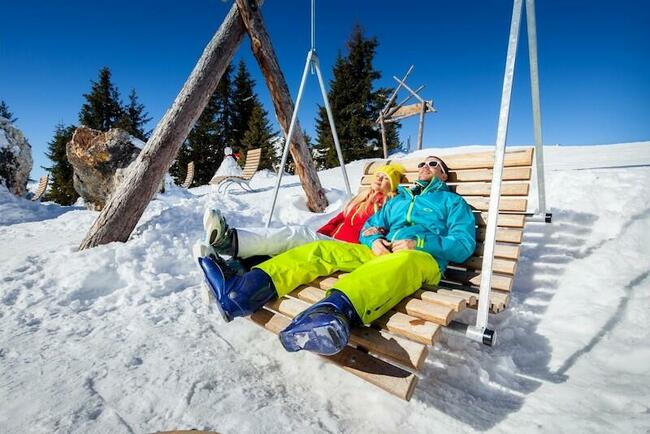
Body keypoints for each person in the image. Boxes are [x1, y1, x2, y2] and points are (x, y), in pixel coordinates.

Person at [197, 155, 476, 356]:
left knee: (402, 261)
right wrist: (375, 238)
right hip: (380, 252)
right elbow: (370, 226)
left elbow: (464, 245)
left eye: (434, 164)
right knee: (322, 248)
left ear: (443, 175)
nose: (426, 167)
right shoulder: (400, 200)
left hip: (421, 260)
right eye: (423, 163)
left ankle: (330, 314)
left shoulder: (452, 202)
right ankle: (242, 292)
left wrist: (421, 242)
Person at [195, 163, 406, 260]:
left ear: (393, 185)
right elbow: (336, 221)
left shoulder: (390, 206)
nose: (379, 178)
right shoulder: (359, 200)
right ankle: (235, 264)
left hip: (351, 251)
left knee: (296, 234)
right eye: (378, 174)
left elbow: (384, 233)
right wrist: (320, 236)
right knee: (293, 242)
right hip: (331, 244)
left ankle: (229, 241)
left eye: (385, 177)